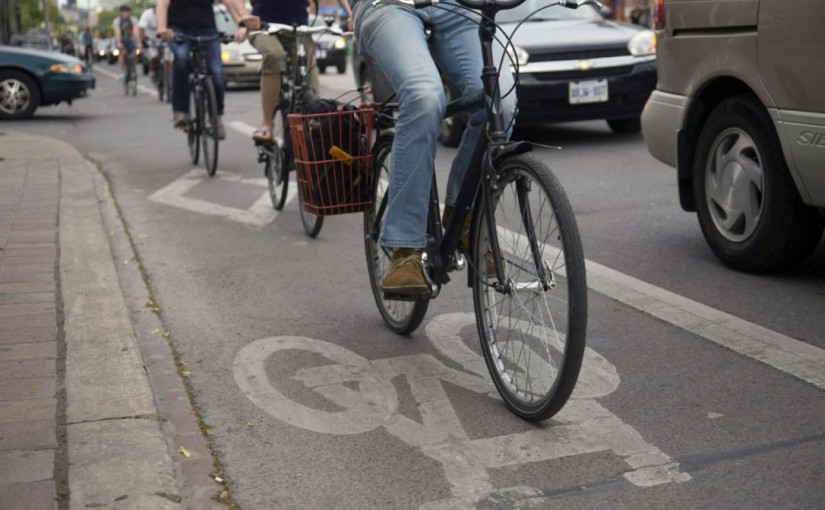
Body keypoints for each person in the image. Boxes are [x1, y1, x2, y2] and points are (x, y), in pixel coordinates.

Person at [351, 0, 517, 297]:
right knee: (424, 96)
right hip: (388, 6)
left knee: (501, 100)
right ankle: (405, 247)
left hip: (455, 4)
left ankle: (464, 215)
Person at [156, 0, 260, 139]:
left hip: (207, 29)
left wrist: (241, 25)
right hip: (178, 30)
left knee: (216, 73)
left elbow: (229, 3)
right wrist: (162, 28)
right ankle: (181, 112)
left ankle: (216, 118)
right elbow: (163, 4)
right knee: (181, 59)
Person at [237, 0, 331, 142]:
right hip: (262, 25)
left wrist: (351, 14)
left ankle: (315, 127)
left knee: (309, 75)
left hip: (298, 28)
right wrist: (244, 16)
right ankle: (267, 125)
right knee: (275, 55)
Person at [137, 4, 171, 86]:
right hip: (151, 41)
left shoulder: (168, 13)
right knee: (154, 57)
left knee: (169, 60)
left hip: (164, 40)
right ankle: (153, 71)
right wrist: (142, 40)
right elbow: (141, 28)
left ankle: (170, 80)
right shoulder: (147, 14)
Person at [113, 5, 139, 78]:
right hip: (121, 40)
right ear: (120, 13)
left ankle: (133, 70)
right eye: (123, 12)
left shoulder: (134, 20)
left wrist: (138, 42)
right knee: (122, 53)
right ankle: (122, 72)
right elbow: (117, 32)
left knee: (134, 53)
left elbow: (136, 31)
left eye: (127, 12)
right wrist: (118, 43)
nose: (125, 14)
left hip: (131, 40)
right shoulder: (117, 21)